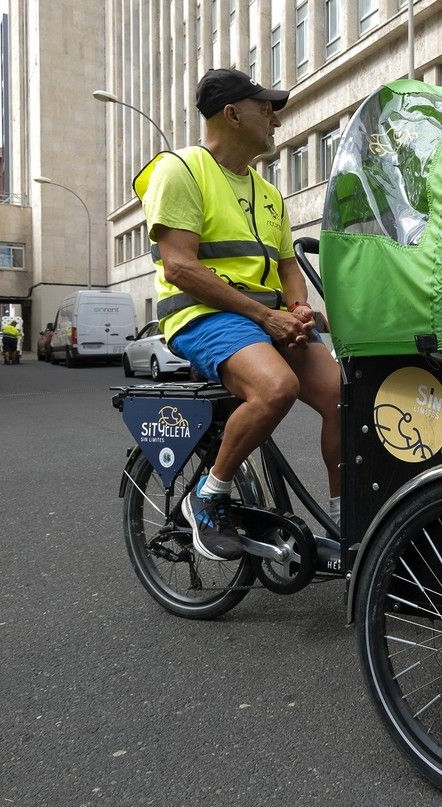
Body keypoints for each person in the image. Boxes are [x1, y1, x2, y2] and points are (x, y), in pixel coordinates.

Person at [134, 68, 342, 561]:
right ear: (232, 114)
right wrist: (267, 319)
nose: (273, 119)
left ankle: (345, 517)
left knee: (343, 398)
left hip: (263, 316)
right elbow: (180, 267)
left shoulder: (268, 193)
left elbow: (289, 265)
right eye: (264, 108)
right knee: (276, 388)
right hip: (203, 315)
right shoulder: (180, 170)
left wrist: (297, 310)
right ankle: (209, 496)